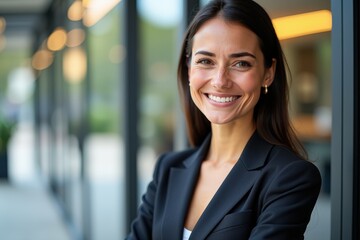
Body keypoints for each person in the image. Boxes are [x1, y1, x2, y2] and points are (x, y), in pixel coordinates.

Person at [126, 0, 322, 239]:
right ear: (189, 69)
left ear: (268, 73)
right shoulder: (168, 168)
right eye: (205, 61)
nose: (220, 80)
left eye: (241, 63)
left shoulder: (290, 177)